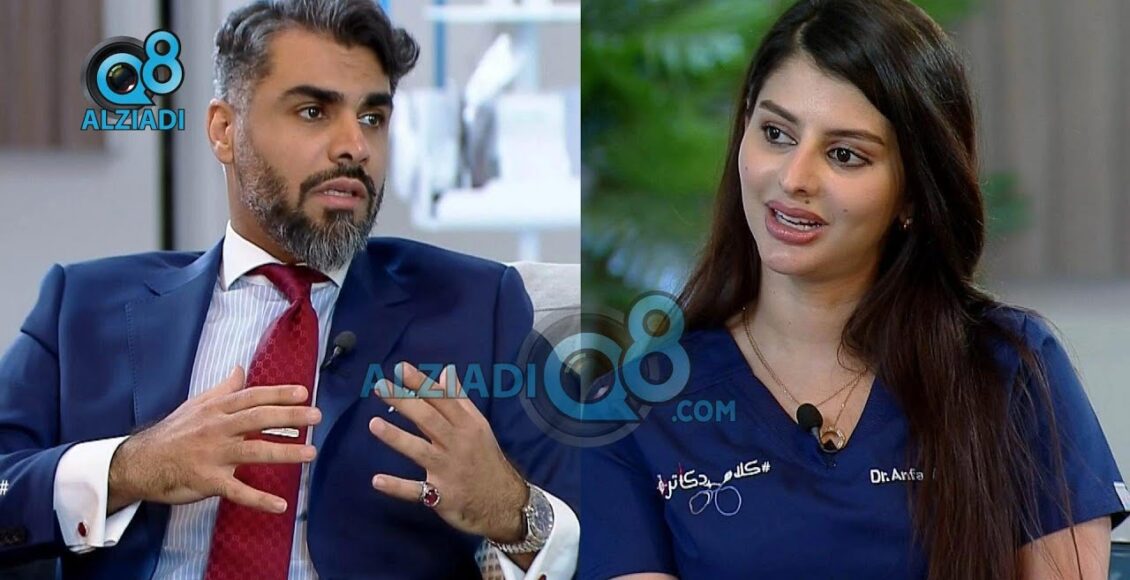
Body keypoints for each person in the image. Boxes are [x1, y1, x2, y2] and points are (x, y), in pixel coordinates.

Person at [0, 0, 579, 578]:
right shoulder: (83, 306)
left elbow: (603, 520)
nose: (354, 146)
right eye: (313, 111)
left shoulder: (475, 307)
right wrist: (129, 467)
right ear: (224, 130)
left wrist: (512, 511)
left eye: (372, 117)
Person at [580, 0, 1127, 578]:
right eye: (775, 133)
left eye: (844, 154)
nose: (794, 178)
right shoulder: (629, 411)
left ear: (913, 193)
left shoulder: (1011, 368)